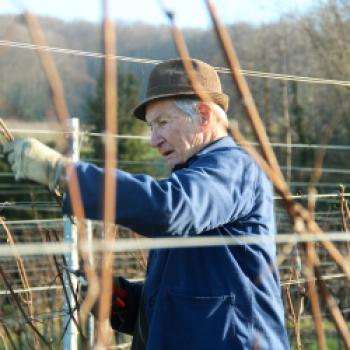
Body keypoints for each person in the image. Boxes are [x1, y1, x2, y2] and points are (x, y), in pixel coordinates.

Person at [3, 58, 290, 349]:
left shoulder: (234, 168)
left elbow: (170, 209)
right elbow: (200, 297)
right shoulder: (195, 177)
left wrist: (65, 174)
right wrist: (125, 301)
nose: (153, 139)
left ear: (203, 115)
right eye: (152, 127)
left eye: (162, 123)